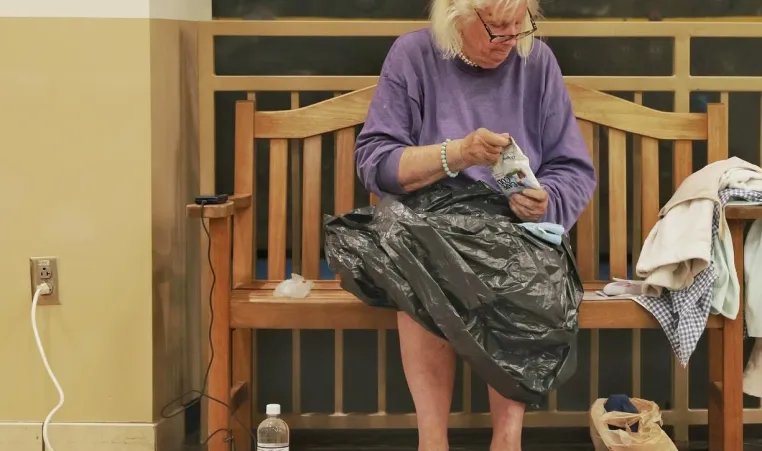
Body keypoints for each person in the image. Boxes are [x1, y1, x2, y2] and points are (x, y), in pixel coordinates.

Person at [354, 0, 597, 450]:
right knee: (422, 256)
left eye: (517, 27)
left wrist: (546, 203)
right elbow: (376, 163)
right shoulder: (413, 56)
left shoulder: (537, 61)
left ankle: (507, 440)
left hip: (511, 229)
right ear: (454, 19)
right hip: (428, 226)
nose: (508, 41)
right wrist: (457, 154)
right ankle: (433, 442)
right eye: (496, 28)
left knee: (521, 258)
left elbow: (573, 169)